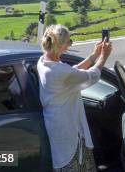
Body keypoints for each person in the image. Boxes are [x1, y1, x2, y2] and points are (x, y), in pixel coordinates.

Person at [37, 24, 112, 171]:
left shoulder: (44, 61)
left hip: (58, 124)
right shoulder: (59, 71)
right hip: (68, 130)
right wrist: (104, 56)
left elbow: (72, 72)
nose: (70, 44)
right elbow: (91, 76)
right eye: (69, 42)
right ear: (59, 45)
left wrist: (93, 56)